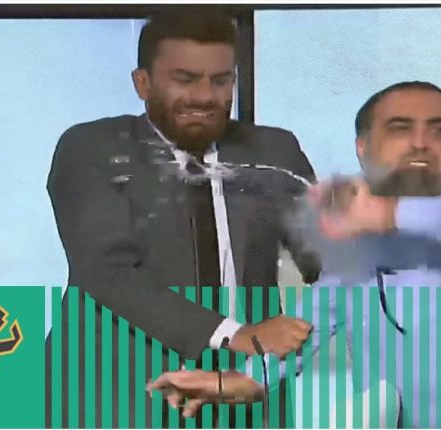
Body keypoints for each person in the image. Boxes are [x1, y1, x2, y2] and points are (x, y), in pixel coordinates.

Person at [147, 81, 441, 428]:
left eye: (440, 130)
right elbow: (314, 319)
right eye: (400, 129)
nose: (421, 142)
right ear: (363, 147)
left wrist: (390, 214)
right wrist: (241, 381)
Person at [46, 8, 319, 428]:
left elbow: (330, 261)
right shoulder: (92, 147)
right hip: (116, 391)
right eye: (185, 79)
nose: (204, 96)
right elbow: (106, 271)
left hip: (239, 393)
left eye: (220, 80)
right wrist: (235, 334)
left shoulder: (274, 150)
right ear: (143, 83)